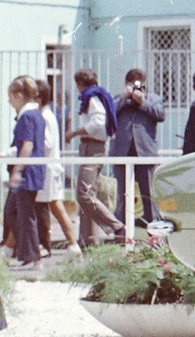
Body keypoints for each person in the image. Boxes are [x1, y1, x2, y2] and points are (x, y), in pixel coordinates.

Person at [68, 66, 124, 246]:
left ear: (80, 83)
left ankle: (116, 227)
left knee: (84, 195)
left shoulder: (91, 98)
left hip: (93, 147)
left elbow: (98, 123)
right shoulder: (96, 96)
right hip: (92, 147)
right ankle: (88, 241)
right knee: (88, 195)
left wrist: (75, 132)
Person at [111, 68, 164, 224]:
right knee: (123, 195)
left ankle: (154, 230)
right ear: (126, 84)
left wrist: (143, 102)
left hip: (145, 151)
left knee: (149, 195)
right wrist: (124, 97)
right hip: (122, 151)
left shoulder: (153, 99)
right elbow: (108, 113)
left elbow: (161, 115)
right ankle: (122, 231)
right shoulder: (118, 99)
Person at [4, 76, 46, 268]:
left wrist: (17, 170)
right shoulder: (36, 114)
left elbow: (27, 145)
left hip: (27, 173)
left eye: (11, 97)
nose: (9, 101)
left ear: (19, 95)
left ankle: (34, 255)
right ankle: (30, 253)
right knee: (16, 212)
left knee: (23, 214)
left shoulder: (27, 116)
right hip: (33, 170)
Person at [35, 80, 78, 253]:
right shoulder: (45, 115)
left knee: (57, 208)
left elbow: (48, 143)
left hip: (47, 170)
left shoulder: (45, 117)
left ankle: (73, 243)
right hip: (45, 170)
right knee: (40, 208)